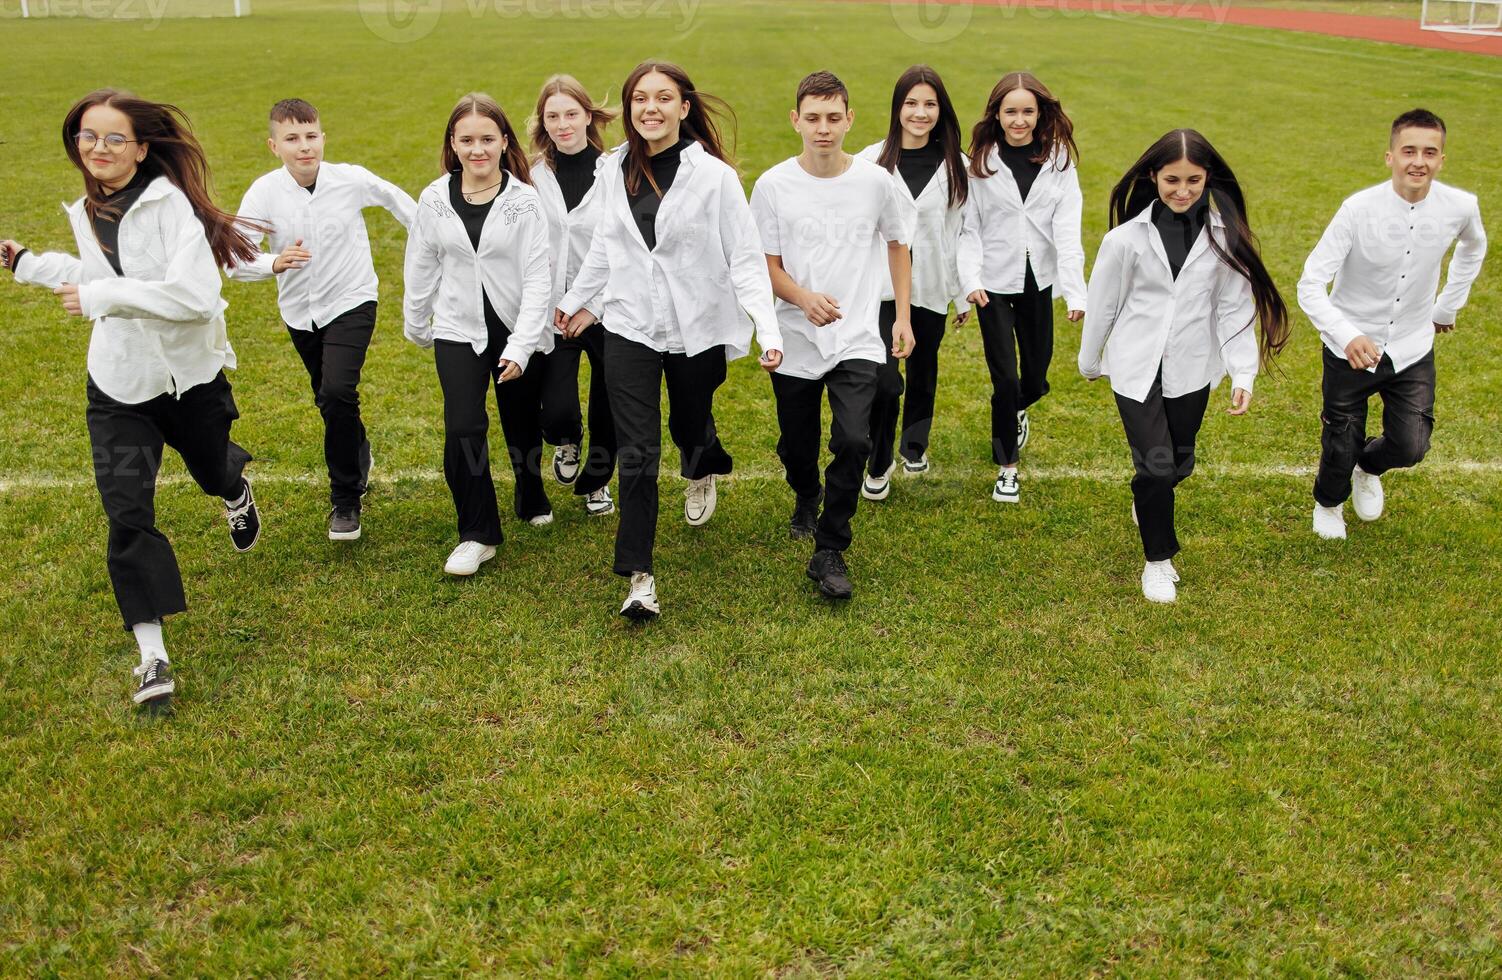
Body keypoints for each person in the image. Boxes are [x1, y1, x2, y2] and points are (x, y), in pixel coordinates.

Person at [2, 89, 266, 707]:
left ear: (143, 149)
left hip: (190, 381)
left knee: (210, 467)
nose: (98, 148)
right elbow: (97, 274)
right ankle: (153, 657)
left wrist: (104, 300)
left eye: (115, 137)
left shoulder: (171, 209)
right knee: (126, 514)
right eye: (87, 137)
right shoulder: (88, 208)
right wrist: (26, 264)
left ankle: (232, 485)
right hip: (119, 386)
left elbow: (195, 298)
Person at [554, 61, 781, 620]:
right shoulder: (612, 170)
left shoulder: (716, 178)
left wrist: (768, 329)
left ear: (684, 108)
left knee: (688, 424)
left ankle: (701, 465)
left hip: (696, 327)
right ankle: (639, 578)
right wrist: (576, 302)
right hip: (630, 326)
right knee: (637, 453)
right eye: (639, 98)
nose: (649, 108)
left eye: (663, 98)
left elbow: (746, 260)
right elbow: (607, 248)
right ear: (629, 108)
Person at [1079, 129, 1289, 603]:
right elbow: (1104, 304)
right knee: (1155, 469)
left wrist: (1243, 372)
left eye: (1193, 180)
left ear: (1207, 178)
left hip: (1193, 367)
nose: (1182, 190)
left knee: (1179, 463)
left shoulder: (1224, 238)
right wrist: (1090, 360)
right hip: (1136, 368)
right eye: (1172, 179)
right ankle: (1158, 561)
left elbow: (1235, 308)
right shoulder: (1124, 240)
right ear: (1153, 176)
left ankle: (1148, 499)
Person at [750, 70, 914, 600]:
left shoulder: (875, 182)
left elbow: (897, 244)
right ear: (796, 121)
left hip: (858, 335)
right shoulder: (773, 185)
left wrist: (903, 316)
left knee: (852, 439)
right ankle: (805, 491)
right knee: (798, 446)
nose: (824, 128)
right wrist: (802, 298)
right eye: (813, 118)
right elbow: (764, 266)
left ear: (850, 120)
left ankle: (830, 548)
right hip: (796, 335)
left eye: (834, 118)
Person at [228, 98, 416, 541]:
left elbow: (400, 202)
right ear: (274, 145)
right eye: (292, 139)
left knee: (336, 391)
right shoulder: (263, 192)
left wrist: (437, 241)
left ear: (323, 138)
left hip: (352, 300)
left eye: (311, 136)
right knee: (329, 399)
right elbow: (235, 258)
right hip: (300, 313)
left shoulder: (349, 179)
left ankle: (346, 500)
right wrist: (274, 262)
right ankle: (358, 448)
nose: (304, 146)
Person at [1299, 108, 1487, 540]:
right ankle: (1329, 504)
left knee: (1412, 444)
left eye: (1429, 152)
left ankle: (1370, 467)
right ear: (1390, 157)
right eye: (1408, 151)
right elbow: (1309, 282)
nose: (1418, 161)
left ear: (1441, 159)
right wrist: (1347, 335)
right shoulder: (1357, 210)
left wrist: (1446, 306)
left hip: (1412, 347)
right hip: (1349, 349)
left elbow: (1473, 249)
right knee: (1341, 440)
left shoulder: (1460, 207)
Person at [403, 93, 554, 577]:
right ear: (453, 143)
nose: (477, 149)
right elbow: (421, 262)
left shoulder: (525, 201)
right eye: (466, 140)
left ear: (504, 141)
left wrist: (522, 345)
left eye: (487, 139)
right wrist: (415, 319)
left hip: (515, 328)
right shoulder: (432, 199)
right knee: (463, 427)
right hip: (456, 329)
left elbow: (538, 279)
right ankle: (478, 533)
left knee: (521, 422)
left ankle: (529, 489)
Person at [958, 72, 1085, 504]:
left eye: (1027, 111)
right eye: (1010, 111)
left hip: (1039, 281)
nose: (1019, 120)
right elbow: (968, 228)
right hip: (991, 283)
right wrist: (970, 281)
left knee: (1035, 376)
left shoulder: (1059, 159)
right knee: (1005, 377)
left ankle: (1019, 407)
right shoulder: (979, 162)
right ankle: (1007, 467)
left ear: (1040, 113)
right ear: (997, 113)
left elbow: (1068, 230)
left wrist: (1076, 290)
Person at [855, 64, 968, 501]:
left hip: (933, 287)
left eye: (930, 104)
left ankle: (914, 445)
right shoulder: (871, 160)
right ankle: (878, 461)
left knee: (924, 371)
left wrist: (961, 293)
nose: (920, 113)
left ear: (941, 110)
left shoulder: (959, 166)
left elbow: (961, 231)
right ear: (897, 108)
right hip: (882, 290)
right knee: (884, 379)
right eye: (911, 103)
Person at [528, 75, 619, 518]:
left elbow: (626, 249)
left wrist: (594, 305)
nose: (563, 124)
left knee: (610, 407)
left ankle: (597, 485)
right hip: (554, 311)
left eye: (571, 113)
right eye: (553, 116)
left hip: (607, 309)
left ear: (588, 115)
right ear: (543, 123)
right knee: (558, 409)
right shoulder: (530, 176)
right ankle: (566, 442)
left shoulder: (615, 172)